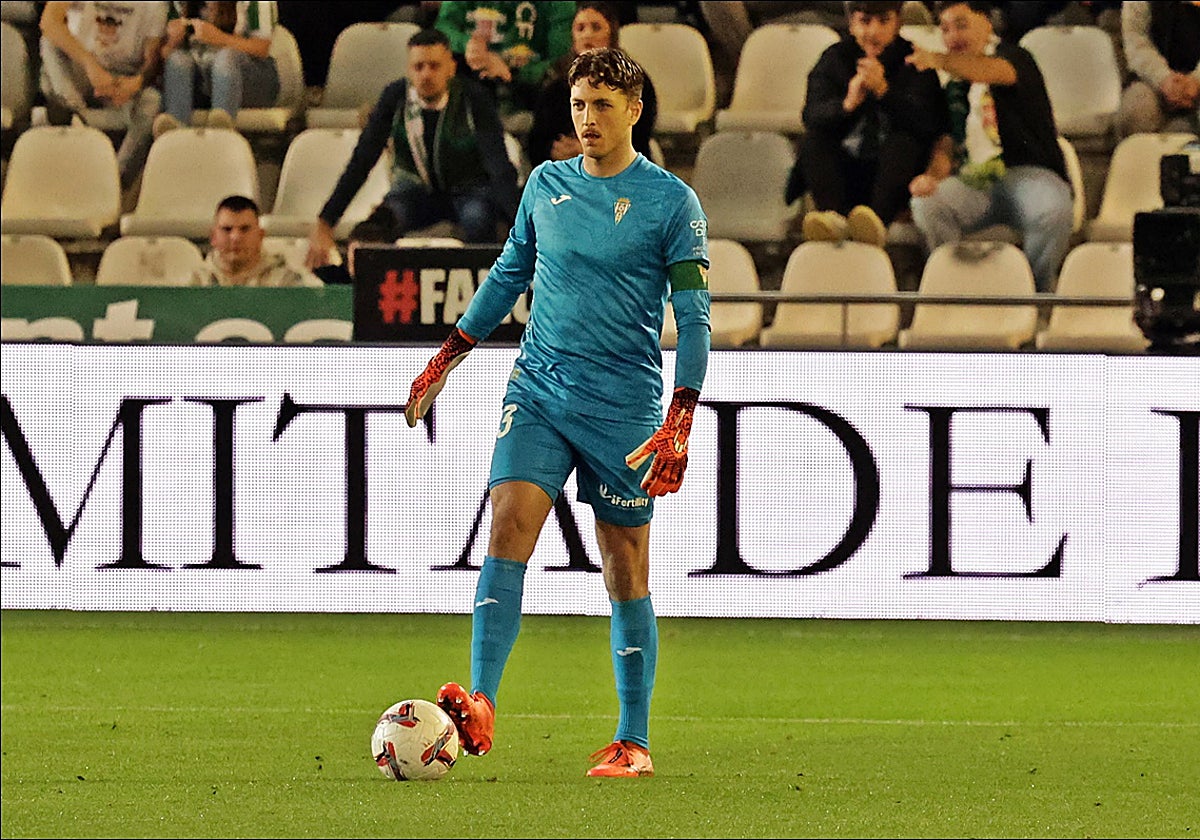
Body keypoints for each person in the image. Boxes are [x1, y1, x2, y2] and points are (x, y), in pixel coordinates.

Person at [403, 47, 711, 778]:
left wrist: (682, 415)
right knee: (508, 522)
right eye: (579, 105)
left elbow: (693, 319)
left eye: (603, 105)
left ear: (635, 110)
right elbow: (510, 271)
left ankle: (632, 739)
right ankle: (480, 700)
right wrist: (447, 356)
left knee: (624, 567)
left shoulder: (672, 202)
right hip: (539, 387)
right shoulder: (546, 184)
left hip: (623, 406)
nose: (588, 118)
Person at [304, 27, 520, 260]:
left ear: (451, 68)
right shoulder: (394, 98)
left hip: (470, 190)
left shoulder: (473, 98)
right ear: (409, 70)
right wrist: (325, 221)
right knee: (369, 236)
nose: (426, 74)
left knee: (479, 219)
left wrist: (524, 225)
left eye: (434, 66)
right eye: (419, 67)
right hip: (412, 192)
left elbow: (498, 166)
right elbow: (362, 160)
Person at [905, 0, 1074, 292]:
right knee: (927, 205)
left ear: (986, 23)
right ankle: (957, 293)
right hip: (974, 181)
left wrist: (938, 59)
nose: (952, 37)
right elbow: (946, 143)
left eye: (961, 25)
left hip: (1028, 174)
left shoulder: (1015, 57)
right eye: (945, 30)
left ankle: (1032, 296)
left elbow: (993, 72)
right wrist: (931, 177)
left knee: (1052, 209)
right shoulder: (954, 87)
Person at [787, 0, 951, 248]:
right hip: (847, 169)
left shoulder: (915, 62)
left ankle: (875, 223)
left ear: (897, 22)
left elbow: (929, 124)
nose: (873, 32)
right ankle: (834, 220)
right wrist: (847, 105)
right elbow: (811, 116)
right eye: (864, 22)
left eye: (883, 21)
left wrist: (885, 92)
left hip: (893, 178)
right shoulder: (834, 58)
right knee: (814, 142)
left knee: (904, 143)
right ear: (852, 24)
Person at [38, 1, 168, 190]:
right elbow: (48, 22)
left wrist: (134, 84)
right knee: (49, 43)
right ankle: (74, 112)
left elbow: (151, 58)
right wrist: (90, 64)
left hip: (122, 76)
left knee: (152, 100)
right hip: (83, 67)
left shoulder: (155, 5)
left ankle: (114, 181)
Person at [525, 1, 658, 167]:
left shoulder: (634, 81)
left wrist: (591, 149)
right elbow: (538, 142)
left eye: (596, 27)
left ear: (612, 34)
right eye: (580, 28)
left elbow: (639, 139)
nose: (587, 35)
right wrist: (553, 151)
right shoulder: (555, 84)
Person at [434, 1, 576, 127]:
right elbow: (444, 28)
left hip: (532, 99)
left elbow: (559, 61)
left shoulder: (559, 5)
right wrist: (468, 45)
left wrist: (510, 72)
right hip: (470, 93)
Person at [152, 1, 280, 136]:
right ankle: (175, 134)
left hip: (250, 79)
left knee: (225, 58)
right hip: (202, 80)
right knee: (177, 60)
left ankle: (221, 131)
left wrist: (219, 38)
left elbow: (262, 48)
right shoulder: (179, 4)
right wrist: (172, 42)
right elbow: (164, 55)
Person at [192, 194, 322, 287]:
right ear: (213, 237)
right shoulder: (197, 283)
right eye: (227, 229)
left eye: (245, 229)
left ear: (260, 236)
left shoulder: (286, 282)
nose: (235, 237)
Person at [1117, 0, 1200, 138]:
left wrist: (1195, 81)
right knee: (1137, 109)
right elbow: (1136, 41)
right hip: (1152, 79)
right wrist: (1164, 79)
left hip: (1195, 78)